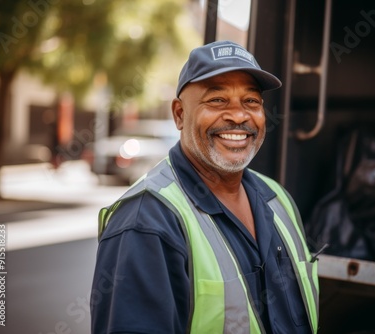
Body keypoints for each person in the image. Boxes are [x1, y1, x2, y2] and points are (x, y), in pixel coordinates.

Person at [90, 40, 319, 334]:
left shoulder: (277, 198)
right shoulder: (146, 222)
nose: (238, 116)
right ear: (179, 115)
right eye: (217, 101)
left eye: (251, 101)